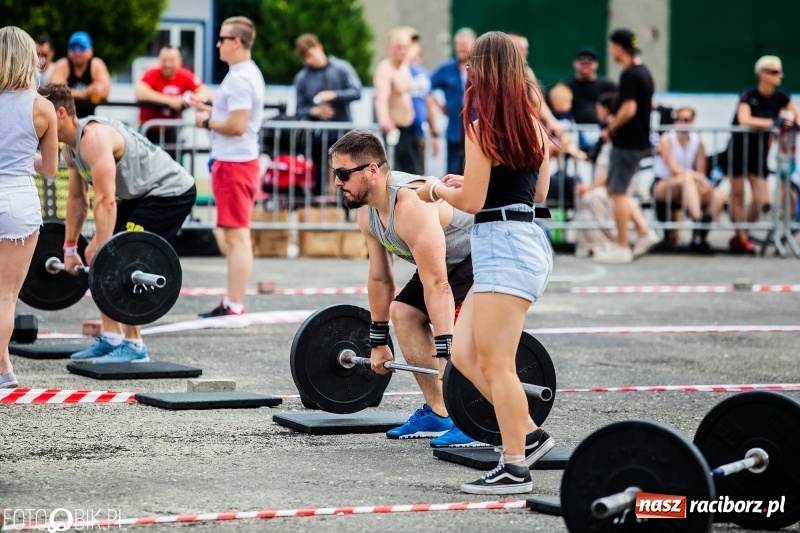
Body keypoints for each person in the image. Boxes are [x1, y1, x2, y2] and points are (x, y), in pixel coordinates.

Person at [417, 31, 556, 495]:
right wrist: (469, 183)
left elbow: (472, 201)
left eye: (473, 67)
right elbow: (536, 194)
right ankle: (531, 436)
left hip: (503, 244)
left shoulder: (483, 127)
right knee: (462, 354)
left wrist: (436, 189)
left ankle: (515, 466)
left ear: (483, 71)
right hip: (521, 238)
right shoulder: (533, 126)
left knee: (498, 364)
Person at [328, 129, 484, 448]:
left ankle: (474, 418)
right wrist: (378, 341)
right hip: (446, 264)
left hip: (481, 253)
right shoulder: (366, 211)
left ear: (372, 170)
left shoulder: (410, 204)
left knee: (461, 336)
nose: (336, 183)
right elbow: (381, 278)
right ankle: (440, 413)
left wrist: (445, 352)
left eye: (343, 174)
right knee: (404, 312)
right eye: (335, 174)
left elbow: (438, 284)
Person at [37, 83, 196, 363]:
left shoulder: (93, 138)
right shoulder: (69, 149)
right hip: (138, 195)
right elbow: (76, 199)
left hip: (169, 193)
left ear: (59, 113)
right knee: (96, 255)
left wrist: (102, 245)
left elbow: (106, 201)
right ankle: (112, 338)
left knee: (122, 258)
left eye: (39, 113)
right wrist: (70, 247)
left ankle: (135, 346)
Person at [0, 26, 59, 388]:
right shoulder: (42, 106)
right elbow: (50, 168)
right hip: (18, 197)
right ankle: (2, 370)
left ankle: (4, 367)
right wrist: (24, 156)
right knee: (6, 295)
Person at [194, 16, 265, 318]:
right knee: (237, 236)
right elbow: (238, 120)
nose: (218, 43)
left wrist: (206, 120)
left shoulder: (239, 77)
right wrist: (210, 111)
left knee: (236, 237)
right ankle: (232, 302)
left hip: (235, 163)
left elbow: (237, 125)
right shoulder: (244, 73)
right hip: (237, 161)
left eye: (222, 38)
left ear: (237, 42)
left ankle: (234, 305)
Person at [593, 29, 659, 264]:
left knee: (618, 192)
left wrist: (611, 127)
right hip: (637, 140)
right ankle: (644, 232)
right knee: (616, 189)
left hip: (628, 141)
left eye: (611, 46)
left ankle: (622, 246)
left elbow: (629, 109)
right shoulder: (644, 72)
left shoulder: (630, 74)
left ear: (619, 48)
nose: (610, 51)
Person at [725, 55, 800, 254]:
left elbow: (796, 114)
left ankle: (742, 233)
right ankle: (741, 238)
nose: (780, 76)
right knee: (738, 195)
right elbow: (744, 119)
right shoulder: (748, 94)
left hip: (759, 153)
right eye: (775, 72)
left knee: (761, 200)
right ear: (762, 74)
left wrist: (794, 124)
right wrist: (772, 123)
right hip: (739, 148)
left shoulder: (780, 96)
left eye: (780, 72)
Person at [293, 33, 362, 195]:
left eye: (310, 54)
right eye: (305, 57)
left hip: (343, 134)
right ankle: (319, 212)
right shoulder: (302, 78)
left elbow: (357, 92)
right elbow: (298, 110)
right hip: (317, 137)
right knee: (318, 175)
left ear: (319, 47)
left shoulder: (341, 68)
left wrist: (335, 95)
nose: (308, 60)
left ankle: (344, 211)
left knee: (346, 174)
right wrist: (314, 111)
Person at [652, 106, 725, 253]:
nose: (682, 123)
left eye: (686, 120)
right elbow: (674, 169)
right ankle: (698, 220)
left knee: (718, 195)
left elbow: (701, 172)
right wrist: (695, 176)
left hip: (688, 186)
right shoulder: (667, 139)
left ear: (692, 121)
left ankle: (700, 237)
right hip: (664, 185)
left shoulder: (698, 143)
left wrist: (703, 183)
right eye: (678, 119)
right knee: (686, 179)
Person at [135, 46, 212, 159]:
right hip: (149, 131)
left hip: (173, 132)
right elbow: (140, 92)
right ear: (159, 60)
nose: (167, 65)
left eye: (171, 61)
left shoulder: (185, 75)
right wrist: (171, 101)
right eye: (164, 60)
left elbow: (206, 93)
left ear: (179, 61)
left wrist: (191, 99)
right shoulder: (151, 73)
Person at [429, 28, 475, 175]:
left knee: (473, 171)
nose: (460, 47)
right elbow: (426, 86)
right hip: (455, 129)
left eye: (464, 44)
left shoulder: (480, 68)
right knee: (453, 172)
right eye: (458, 44)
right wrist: (440, 105)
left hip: (476, 129)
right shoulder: (447, 68)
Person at [373, 29, 420, 175]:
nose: (403, 51)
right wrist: (385, 120)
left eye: (406, 47)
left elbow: (415, 46)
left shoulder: (405, 64)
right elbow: (381, 97)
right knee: (401, 174)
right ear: (389, 49)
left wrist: (408, 35)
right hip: (396, 128)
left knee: (416, 173)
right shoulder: (385, 69)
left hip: (410, 128)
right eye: (399, 47)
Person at [565, 47, 617, 151]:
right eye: (582, 63)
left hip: (606, 133)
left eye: (589, 63)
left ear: (596, 64)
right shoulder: (567, 87)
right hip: (574, 136)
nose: (585, 66)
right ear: (575, 63)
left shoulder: (608, 85)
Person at [49, 32, 111, 118]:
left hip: (89, 117)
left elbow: (105, 92)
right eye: (74, 48)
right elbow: (55, 90)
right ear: (68, 51)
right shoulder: (63, 65)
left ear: (91, 51)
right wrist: (85, 94)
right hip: (64, 118)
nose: (77, 52)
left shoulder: (96, 65)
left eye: (82, 48)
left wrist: (70, 92)